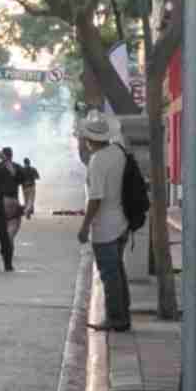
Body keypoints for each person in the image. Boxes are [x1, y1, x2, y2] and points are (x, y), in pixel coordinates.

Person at [78, 116, 132, 332]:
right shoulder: (118, 152)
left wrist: (84, 226)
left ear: (90, 139)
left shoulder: (98, 160)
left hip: (105, 228)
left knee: (110, 275)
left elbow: (96, 198)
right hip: (121, 222)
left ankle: (116, 319)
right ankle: (123, 316)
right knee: (118, 272)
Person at [1, 147, 24, 241]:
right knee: (15, 223)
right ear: (12, 155)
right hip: (12, 199)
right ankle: (8, 243)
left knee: (3, 224)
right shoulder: (17, 167)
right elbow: (23, 182)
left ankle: (6, 245)